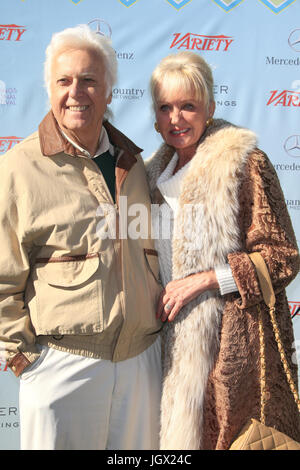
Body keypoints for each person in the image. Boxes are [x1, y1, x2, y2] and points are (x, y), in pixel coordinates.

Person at [0, 24, 162, 450]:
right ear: (49, 89)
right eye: (64, 80)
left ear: (109, 91)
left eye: (90, 80)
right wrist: (24, 360)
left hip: (141, 364)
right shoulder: (18, 167)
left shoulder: (137, 166)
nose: (77, 92)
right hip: (62, 366)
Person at [146, 50, 300, 450]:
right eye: (165, 107)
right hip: (167, 350)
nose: (175, 118)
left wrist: (206, 280)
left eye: (188, 106)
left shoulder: (243, 164)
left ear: (210, 108)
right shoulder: (150, 178)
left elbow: (283, 256)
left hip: (229, 351)